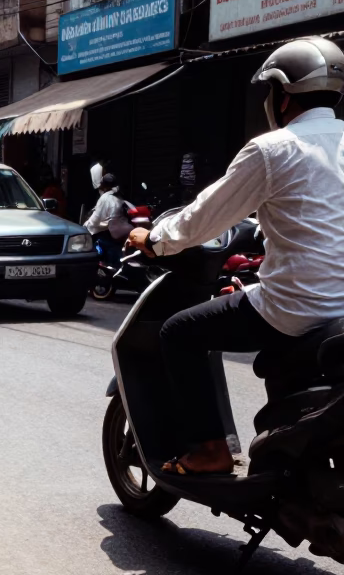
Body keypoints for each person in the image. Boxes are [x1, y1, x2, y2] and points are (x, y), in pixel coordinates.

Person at [128, 36, 344, 475]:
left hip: (297, 309)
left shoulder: (272, 148)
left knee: (179, 332)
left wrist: (153, 240)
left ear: (282, 95)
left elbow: (201, 219)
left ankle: (210, 451)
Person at [84, 173, 127, 266]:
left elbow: (95, 219)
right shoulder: (118, 196)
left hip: (105, 234)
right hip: (117, 234)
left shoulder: (105, 198)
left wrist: (85, 227)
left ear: (104, 185)